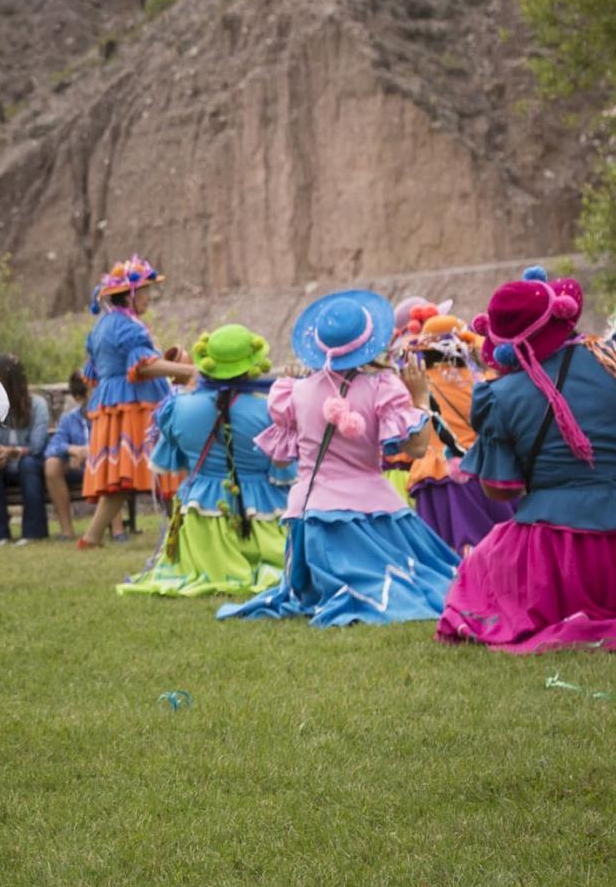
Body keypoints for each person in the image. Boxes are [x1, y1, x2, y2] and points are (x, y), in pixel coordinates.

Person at [218, 290, 461, 627]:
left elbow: (280, 458)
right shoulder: (383, 387)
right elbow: (417, 449)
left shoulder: (293, 391)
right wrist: (419, 397)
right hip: (372, 515)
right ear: (369, 342)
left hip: (311, 521)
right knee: (430, 576)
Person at [437, 269, 616, 651]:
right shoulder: (608, 360)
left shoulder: (499, 395)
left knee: (477, 574)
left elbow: (502, 489)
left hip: (554, 557)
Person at [119, 324, 290, 598]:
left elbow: (167, 463)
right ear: (253, 364)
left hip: (200, 516)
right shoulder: (270, 410)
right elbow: (282, 469)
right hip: (261, 512)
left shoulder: (177, 408)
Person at [78, 257, 198, 548]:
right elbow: (143, 366)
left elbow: (97, 372)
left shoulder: (103, 325)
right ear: (130, 295)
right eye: (144, 292)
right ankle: (179, 534)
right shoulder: (127, 327)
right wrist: (189, 370)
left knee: (125, 475)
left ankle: (93, 537)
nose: (148, 298)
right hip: (136, 406)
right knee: (166, 464)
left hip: (113, 405)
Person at [389, 305, 513, 555]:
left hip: (437, 481)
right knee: (502, 549)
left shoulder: (411, 384)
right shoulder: (485, 378)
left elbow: (403, 448)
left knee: (448, 557)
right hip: (489, 474)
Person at [0, 354, 49, 544]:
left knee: (29, 464)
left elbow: (37, 446)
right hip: (1, 465)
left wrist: (13, 451)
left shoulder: (37, 405)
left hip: (27, 464)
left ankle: (33, 533)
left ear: (9, 379)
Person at [44, 371, 90, 541]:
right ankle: (67, 530)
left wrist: (89, 452)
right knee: (52, 465)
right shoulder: (69, 419)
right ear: (79, 397)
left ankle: (117, 530)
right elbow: (52, 447)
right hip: (77, 468)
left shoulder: (107, 415)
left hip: (102, 466)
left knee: (104, 462)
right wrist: (72, 450)